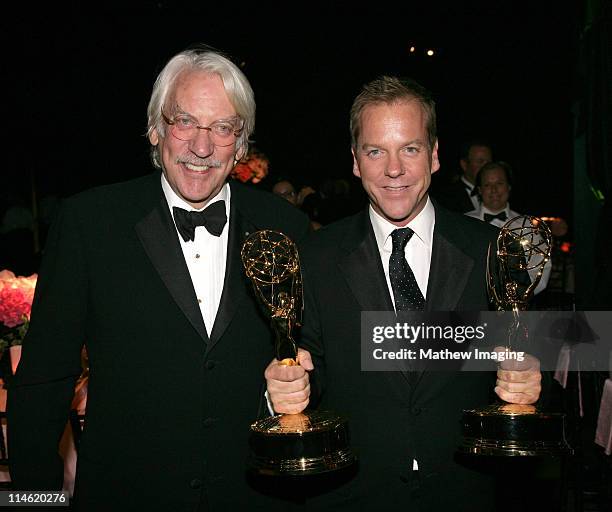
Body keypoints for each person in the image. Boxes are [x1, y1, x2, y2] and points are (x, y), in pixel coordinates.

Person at [7, 46, 309, 511]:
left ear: (242, 142)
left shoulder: (283, 227)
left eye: (223, 127)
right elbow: (42, 383)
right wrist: (37, 503)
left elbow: (311, 357)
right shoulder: (91, 223)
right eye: (184, 121)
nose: (202, 146)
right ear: (155, 128)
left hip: (253, 495)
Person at [265, 76, 542, 510]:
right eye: (376, 151)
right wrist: (287, 389)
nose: (394, 170)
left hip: (464, 490)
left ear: (433, 156)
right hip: (350, 493)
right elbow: (305, 368)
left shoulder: (488, 249)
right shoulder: (315, 257)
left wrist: (524, 376)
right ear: (355, 161)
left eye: (409, 149)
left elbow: (512, 351)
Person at [466, 161, 551, 295]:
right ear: (480, 190)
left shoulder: (526, 225)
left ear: (509, 187)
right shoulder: (465, 223)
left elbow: (541, 266)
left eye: (499, 183)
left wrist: (521, 295)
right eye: (488, 185)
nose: (494, 190)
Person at [433, 139, 493, 213]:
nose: (486, 167)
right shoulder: (445, 196)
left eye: (489, 162)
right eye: (480, 162)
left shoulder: (501, 192)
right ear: (464, 165)